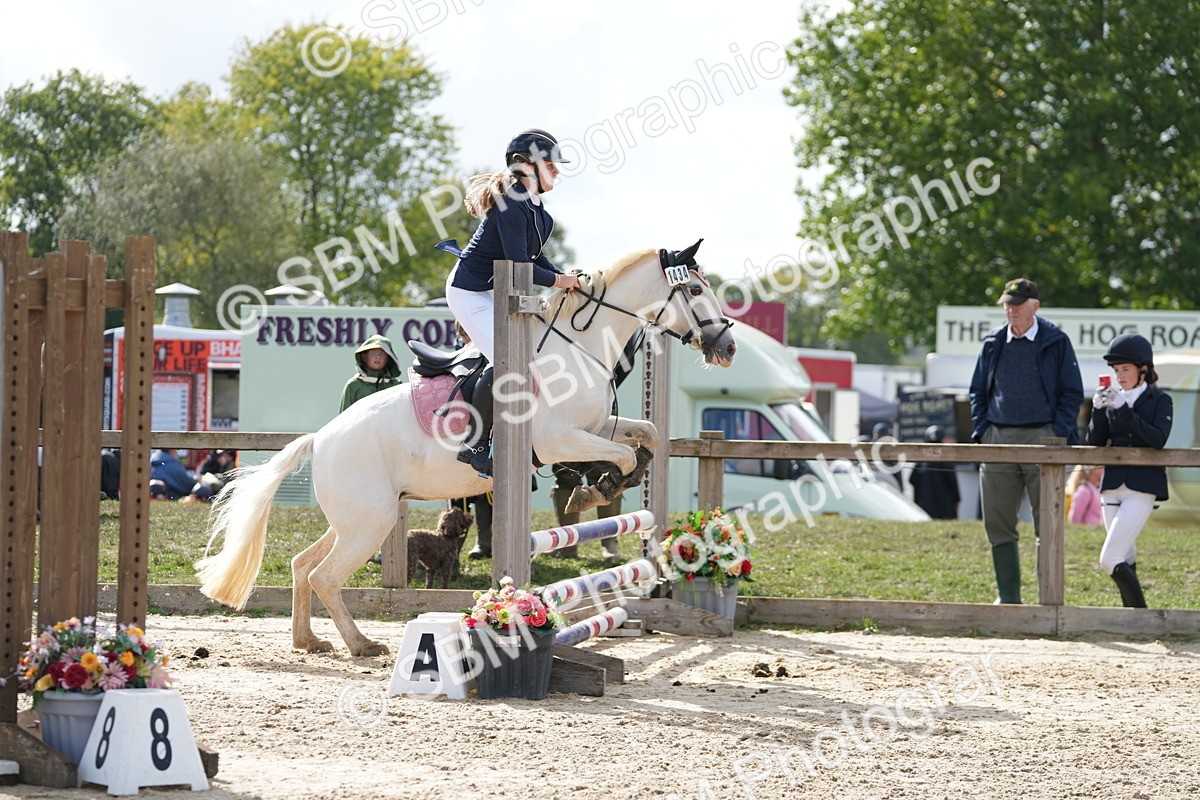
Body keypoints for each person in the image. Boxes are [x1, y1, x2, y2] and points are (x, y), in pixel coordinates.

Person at [440, 128, 580, 475]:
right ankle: (476, 444)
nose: (556, 171)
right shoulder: (511, 205)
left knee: (526, 361)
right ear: (527, 166)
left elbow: (536, 258)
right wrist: (558, 281)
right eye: (550, 165)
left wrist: (566, 277)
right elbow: (519, 265)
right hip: (469, 291)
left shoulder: (538, 211)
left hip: (494, 291)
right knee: (506, 361)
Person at [969, 277, 1083, 604]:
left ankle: (1048, 601)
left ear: (1035, 306)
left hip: (1044, 438)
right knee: (997, 522)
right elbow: (977, 391)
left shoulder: (1056, 341)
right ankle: (1008, 599)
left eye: (1017, 305)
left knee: (1048, 523)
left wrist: (1057, 433)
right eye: (1007, 304)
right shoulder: (993, 341)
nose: (1011, 310)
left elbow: (1072, 392)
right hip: (998, 437)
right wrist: (983, 431)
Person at [1086, 333, 1172, 608]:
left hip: (1142, 486)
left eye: (1125, 369)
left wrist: (1124, 410)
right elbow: (1095, 442)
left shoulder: (1161, 400)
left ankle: (1141, 615)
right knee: (1124, 555)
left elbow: (1157, 439)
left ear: (1143, 369)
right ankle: (1132, 619)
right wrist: (1098, 411)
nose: (1119, 376)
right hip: (1112, 485)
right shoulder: (1113, 400)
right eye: (1116, 370)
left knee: (1109, 559)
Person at [339, 334, 401, 413]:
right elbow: (343, 418)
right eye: (373, 353)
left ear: (388, 358)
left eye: (382, 353)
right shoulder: (354, 385)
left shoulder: (396, 385)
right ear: (364, 357)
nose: (378, 357)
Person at [909, 425, 960, 520]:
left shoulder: (921, 460)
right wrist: (957, 499)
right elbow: (952, 482)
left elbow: (912, 480)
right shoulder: (945, 459)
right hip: (943, 510)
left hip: (926, 508)